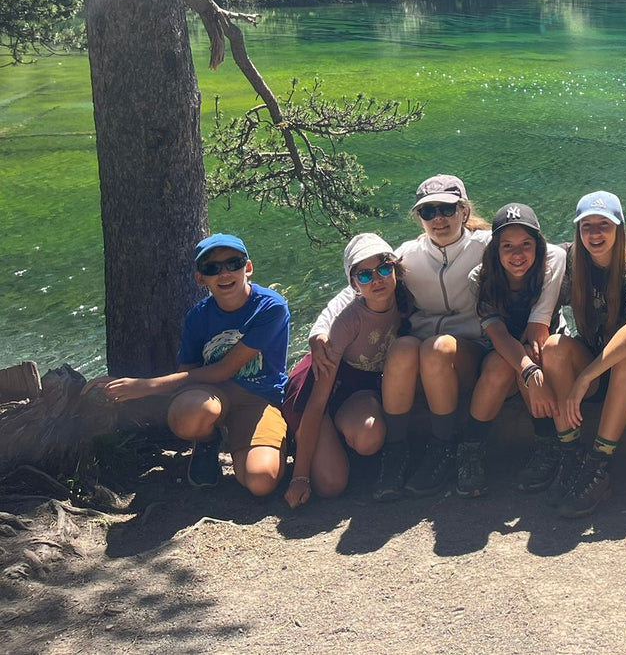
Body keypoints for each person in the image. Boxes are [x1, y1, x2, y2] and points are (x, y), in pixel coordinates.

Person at [85, 234, 290, 496]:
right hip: (212, 395)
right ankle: (207, 440)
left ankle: (256, 441)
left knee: (261, 482)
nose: (224, 273)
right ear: (200, 278)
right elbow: (187, 374)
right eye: (212, 268)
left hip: (258, 399)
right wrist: (122, 387)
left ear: (247, 268)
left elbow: (223, 369)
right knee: (189, 413)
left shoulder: (271, 307)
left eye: (233, 264)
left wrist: (144, 387)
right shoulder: (198, 316)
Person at [373, 174, 491, 501]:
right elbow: (360, 285)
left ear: (464, 212)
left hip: (469, 351)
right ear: (419, 218)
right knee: (401, 349)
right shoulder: (407, 255)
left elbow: (547, 254)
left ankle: (443, 447)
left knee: (437, 348)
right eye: (428, 212)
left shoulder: (488, 246)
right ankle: (396, 453)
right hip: (423, 355)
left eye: (446, 209)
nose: (438, 218)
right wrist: (323, 330)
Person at [538, 191, 626, 518]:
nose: (595, 234)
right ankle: (570, 454)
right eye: (586, 226)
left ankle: (598, 464)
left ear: (620, 228)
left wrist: (585, 377)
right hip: (591, 370)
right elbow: (524, 266)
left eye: (604, 224)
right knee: (554, 348)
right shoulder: (567, 260)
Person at [282, 233, 407, 508]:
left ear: (395, 268)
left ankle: (337, 443)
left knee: (368, 436)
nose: (377, 279)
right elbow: (316, 402)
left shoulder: (408, 303)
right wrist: (300, 477)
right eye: (364, 275)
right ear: (353, 283)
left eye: (384, 268)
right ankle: (303, 442)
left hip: (361, 388)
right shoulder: (348, 320)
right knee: (330, 486)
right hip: (318, 387)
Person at [456, 202, 568, 499]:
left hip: (546, 346)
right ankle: (470, 449)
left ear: (539, 245)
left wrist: (530, 365)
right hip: (505, 353)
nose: (518, 255)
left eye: (526, 245)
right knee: (503, 364)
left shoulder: (553, 262)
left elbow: (538, 331)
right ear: (495, 249)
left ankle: (547, 445)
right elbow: (497, 333)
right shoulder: (479, 279)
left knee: (533, 353)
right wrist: (528, 370)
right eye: (507, 246)